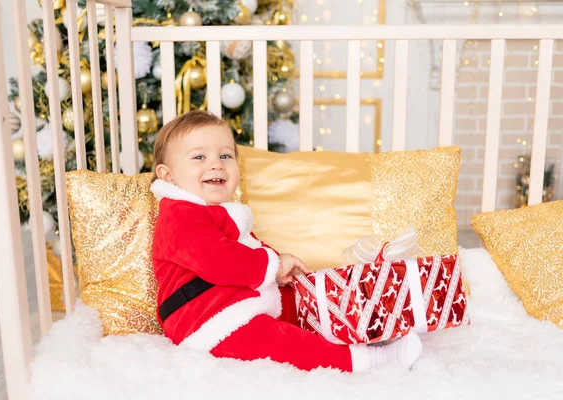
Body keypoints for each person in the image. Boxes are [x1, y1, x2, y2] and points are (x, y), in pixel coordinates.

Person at [150, 110, 422, 373]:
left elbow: (249, 249)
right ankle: (368, 361)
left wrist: (279, 269)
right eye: (199, 157)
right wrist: (273, 265)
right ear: (167, 175)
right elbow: (217, 259)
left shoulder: (215, 211)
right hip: (202, 319)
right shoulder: (178, 215)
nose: (216, 164)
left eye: (225, 155)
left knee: (305, 303)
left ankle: (367, 328)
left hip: (235, 299)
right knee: (279, 342)